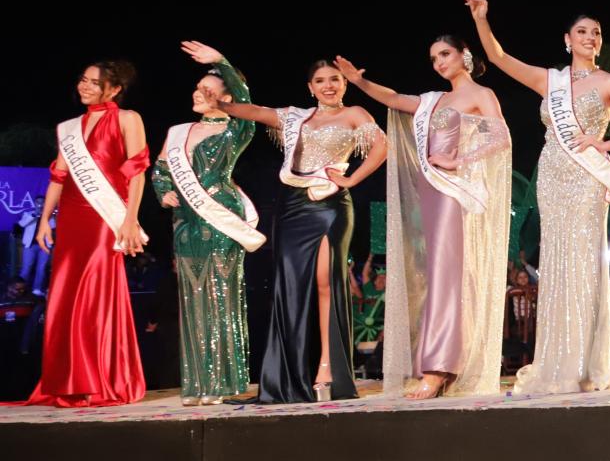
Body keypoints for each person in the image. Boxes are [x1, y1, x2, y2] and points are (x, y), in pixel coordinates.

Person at [466, 0, 610, 396]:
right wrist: (482, 18)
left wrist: (604, 143)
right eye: (582, 32)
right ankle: (557, 360)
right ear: (567, 40)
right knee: (556, 264)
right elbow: (498, 57)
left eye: (596, 33)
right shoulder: (548, 80)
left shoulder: (609, 83)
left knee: (585, 263)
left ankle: (586, 363)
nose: (590, 38)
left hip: (586, 177)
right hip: (551, 175)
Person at [337, 35, 512, 399]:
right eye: (433, 58)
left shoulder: (481, 95)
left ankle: (438, 367)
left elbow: (501, 138)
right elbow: (394, 99)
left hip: (452, 191)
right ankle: (443, 365)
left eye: (444, 54)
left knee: (448, 278)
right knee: (436, 276)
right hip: (432, 194)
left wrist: (458, 161)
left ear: (464, 55)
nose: (438, 63)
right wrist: (359, 82)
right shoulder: (435, 101)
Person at [224, 59, 386, 401]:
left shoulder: (355, 113)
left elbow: (382, 147)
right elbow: (252, 110)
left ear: (344, 84)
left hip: (329, 204)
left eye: (335, 80)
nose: (328, 85)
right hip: (292, 207)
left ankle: (328, 365)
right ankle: (291, 371)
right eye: (320, 80)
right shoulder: (296, 117)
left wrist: (352, 179)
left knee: (326, 282)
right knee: (292, 287)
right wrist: (221, 98)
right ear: (309, 87)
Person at [21, 60, 151, 407]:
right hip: (72, 219)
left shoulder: (128, 119)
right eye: (83, 79)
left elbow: (137, 172)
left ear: (115, 88)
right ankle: (68, 380)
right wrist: (44, 221)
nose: (85, 86)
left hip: (105, 219)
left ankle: (99, 379)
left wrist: (129, 220)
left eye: (94, 82)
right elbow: (59, 177)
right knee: (63, 293)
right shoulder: (69, 128)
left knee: (95, 293)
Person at [151, 42, 260, 405]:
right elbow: (161, 170)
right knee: (192, 299)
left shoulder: (235, 131)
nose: (199, 93)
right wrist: (162, 190)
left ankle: (222, 383)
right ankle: (196, 384)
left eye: (208, 89)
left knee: (220, 297)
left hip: (221, 219)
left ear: (226, 96)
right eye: (198, 88)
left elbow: (245, 100)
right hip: (185, 223)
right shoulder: (178, 131)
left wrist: (222, 62)